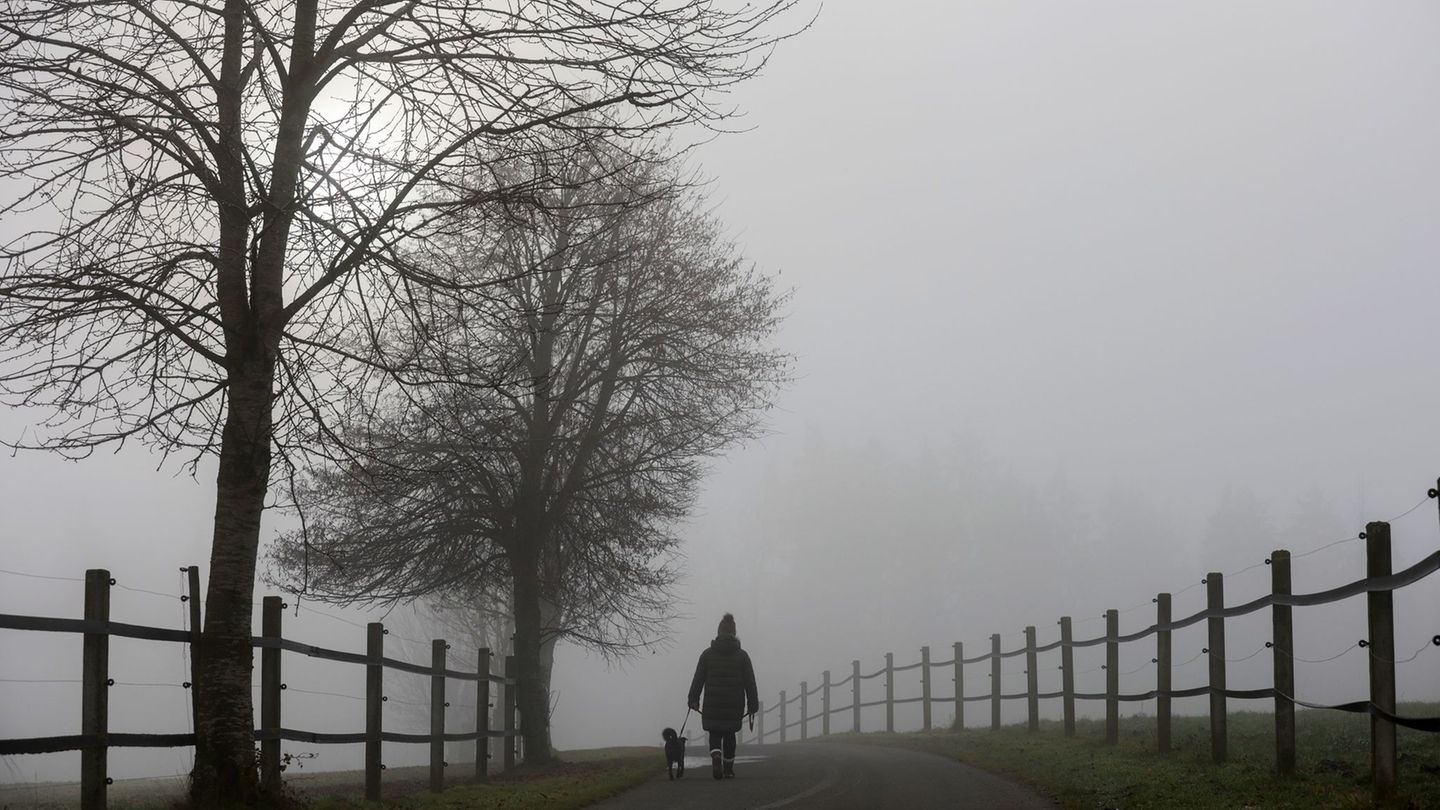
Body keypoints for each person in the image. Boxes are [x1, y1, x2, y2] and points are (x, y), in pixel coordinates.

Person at [688, 612, 759, 780]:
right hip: (734, 703)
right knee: (729, 734)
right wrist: (753, 704)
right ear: (734, 632)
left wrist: (693, 699)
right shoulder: (742, 656)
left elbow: (698, 679)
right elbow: (750, 682)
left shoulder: (707, 655)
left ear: (718, 632)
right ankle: (728, 769)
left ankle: (716, 755)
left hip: (712, 702)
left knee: (714, 732)